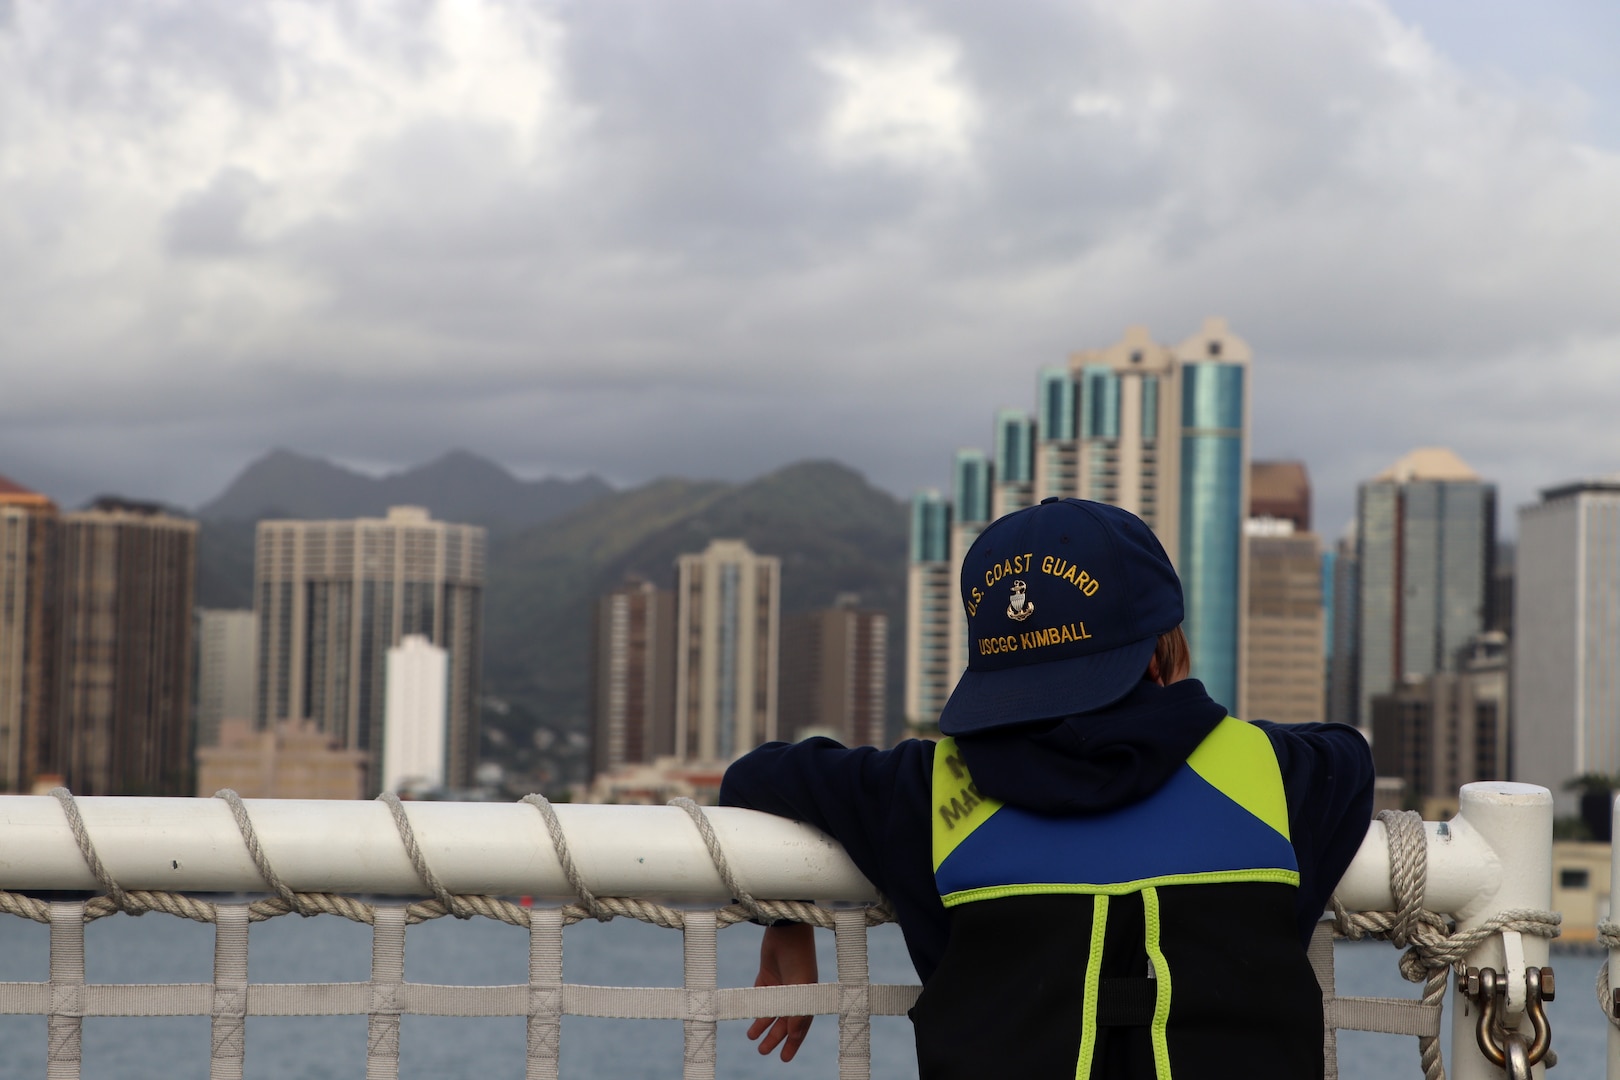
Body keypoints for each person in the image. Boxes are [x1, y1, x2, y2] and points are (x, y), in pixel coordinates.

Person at [720, 496, 1374, 1079]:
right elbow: (1349, 751)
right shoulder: (1286, 776)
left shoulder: (924, 792)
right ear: (1160, 650)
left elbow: (756, 779)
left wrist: (785, 915)